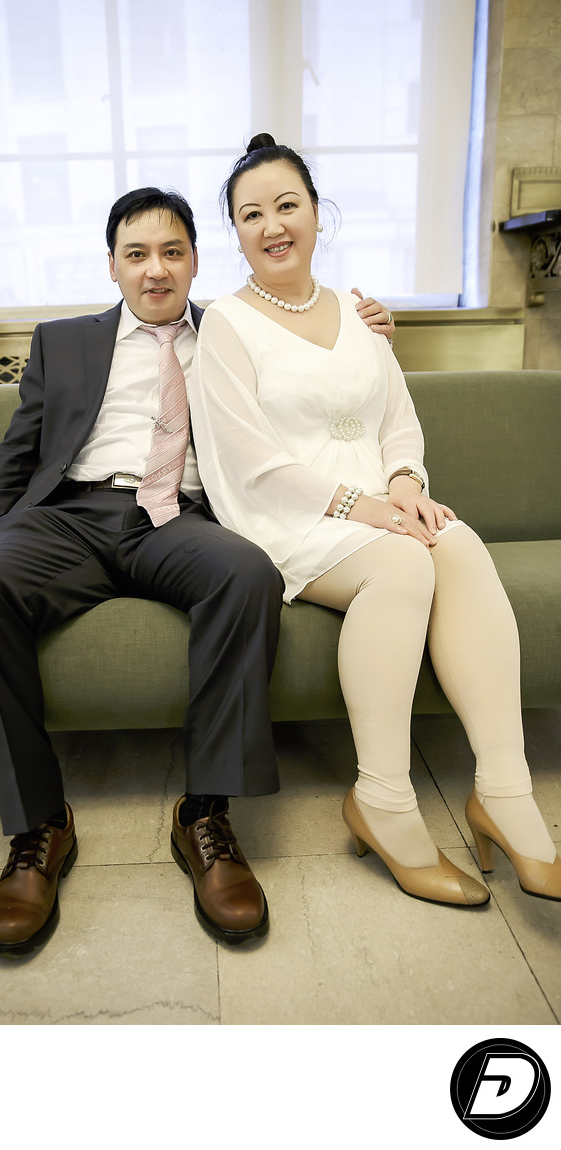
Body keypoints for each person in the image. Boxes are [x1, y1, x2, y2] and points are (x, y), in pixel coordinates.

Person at [0, 185, 397, 955]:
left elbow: (326, 379)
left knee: (246, 575)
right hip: (71, 515)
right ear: (113, 266)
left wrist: (373, 334)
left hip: (185, 519)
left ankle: (204, 815)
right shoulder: (62, 341)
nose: (155, 271)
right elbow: (18, 455)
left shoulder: (239, 331)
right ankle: (38, 827)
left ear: (196, 260)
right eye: (136, 254)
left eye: (172, 252)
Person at [188, 134, 561, 908]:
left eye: (286, 205)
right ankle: (383, 802)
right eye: (250, 213)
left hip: (376, 502)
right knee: (403, 561)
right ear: (236, 232)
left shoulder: (359, 312)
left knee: (456, 544)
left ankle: (504, 791)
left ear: (318, 213)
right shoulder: (224, 323)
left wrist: (403, 483)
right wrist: (367, 508)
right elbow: (247, 458)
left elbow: (397, 418)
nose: (271, 225)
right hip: (286, 514)